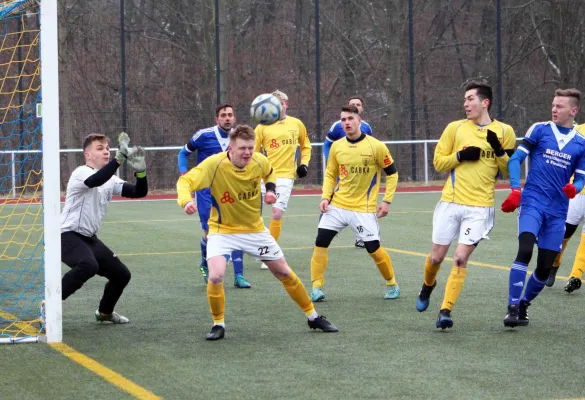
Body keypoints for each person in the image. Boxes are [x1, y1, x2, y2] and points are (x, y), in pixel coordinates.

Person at [177, 124, 338, 340]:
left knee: (284, 272)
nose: (247, 153)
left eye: (251, 148)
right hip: (222, 230)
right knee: (215, 276)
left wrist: (271, 191)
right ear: (230, 148)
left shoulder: (259, 161)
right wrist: (186, 200)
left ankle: (313, 316)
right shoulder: (214, 165)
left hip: (255, 230)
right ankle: (218, 324)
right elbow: (185, 181)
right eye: (242, 148)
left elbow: (269, 172)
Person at [415, 81, 517, 330]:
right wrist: (460, 156)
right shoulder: (455, 128)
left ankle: (445, 310)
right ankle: (428, 286)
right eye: (464, 100)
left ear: (485, 102)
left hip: (480, 208)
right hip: (450, 203)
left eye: (470, 99)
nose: (465, 104)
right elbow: (438, 163)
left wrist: (498, 150)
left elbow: (508, 171)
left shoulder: (505, 131)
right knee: (437, 257)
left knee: (460, 258)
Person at [501, 88, 585, 327]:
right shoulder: (540, 129)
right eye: (553, 104)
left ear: (573, 110)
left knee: (545, 265)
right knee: (525, 250)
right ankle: (512, 307)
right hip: (533, 203)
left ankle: (525, 305)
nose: (554, 109)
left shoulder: (581, 144)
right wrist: (516, 190)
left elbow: (580, 178)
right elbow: (516, 159)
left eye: (560, 106)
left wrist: (575, 188)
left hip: (558, 212)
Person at [308, 105, 400, 302]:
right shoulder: (337, 146)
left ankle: (392, 283)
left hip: (363, 209)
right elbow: (331, 174)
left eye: (350, 118)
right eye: (343, 119)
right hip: (338, 205)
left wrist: (386, 201)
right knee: (320, 240)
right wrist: (325, 197)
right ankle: (316, 287)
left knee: (373, 249)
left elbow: (392, 174)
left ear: (360, 121)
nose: (347, 122)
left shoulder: (376, 146)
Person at [59, 132, 147, 324]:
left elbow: (139, 192)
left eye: (107, 148)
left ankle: (105, 313)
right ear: (87, 155)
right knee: (89, 265)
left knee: (122, 275)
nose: (106, 151)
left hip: (89, 238)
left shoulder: (111, 179)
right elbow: (96, 180)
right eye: (100, 148)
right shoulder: (80, 172)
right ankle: (50, 304)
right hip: (66, 235)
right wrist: (118, 160)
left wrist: (141, 172)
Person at [178, 104, 251, 289]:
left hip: (231, 191)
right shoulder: (204, 135)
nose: (227, 118)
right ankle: (205, 264)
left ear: (234, 118)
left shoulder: (239, 138)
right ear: (216, 119)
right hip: (206, 192)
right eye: (223, 115)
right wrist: (185, 175)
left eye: (230, 115)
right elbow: (183, 153)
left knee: (237, 229)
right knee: (209, 233)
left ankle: (239, 276)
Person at [254, 90, 311, 269]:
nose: (279, 106)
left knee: (277, 213)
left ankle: (270, 252)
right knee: (253, 216)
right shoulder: (262, 126)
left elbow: (306, 146)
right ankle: (246, 248)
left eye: (281, 103)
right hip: (264, 175)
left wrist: (304, 164)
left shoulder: (297, 124)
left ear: (286, 104)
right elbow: (254, 153)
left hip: (286, 176)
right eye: (275, 103)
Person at [323, 96, 373, 249]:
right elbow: (327, 145)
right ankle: (323, 233)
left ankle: (361, 237)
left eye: (358, 104)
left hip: (360, 175)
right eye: (352, 104)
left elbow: (370, 148)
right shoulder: (337, 126)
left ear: (362, 109)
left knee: (360, 204)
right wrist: (331, 163)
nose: (355, 106)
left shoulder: (367, 127)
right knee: (329, 201)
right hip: (341, 173)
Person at [545, 122, 585, 292]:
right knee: (565, 233)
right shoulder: (578, 130)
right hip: (577, 192)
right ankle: (554, 264)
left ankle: (575, 276)